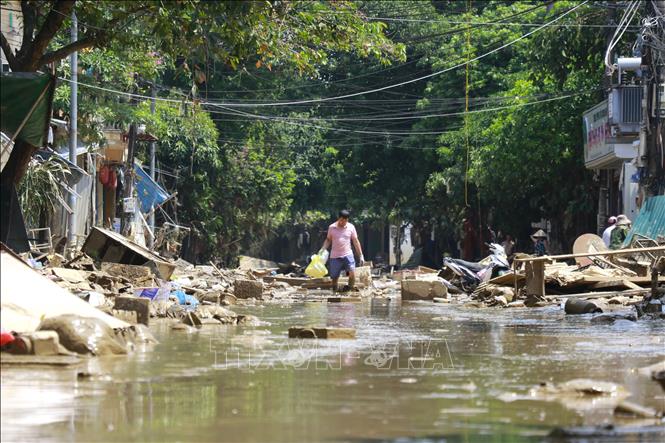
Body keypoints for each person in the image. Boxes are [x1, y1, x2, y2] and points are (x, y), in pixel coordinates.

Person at [320, 209, 364, 292]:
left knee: (352, 272)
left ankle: (349, 290)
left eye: (345, 221)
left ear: (348, 220)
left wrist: (361, 255)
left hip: (348, 254)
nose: (343, 222)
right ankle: (334, 293)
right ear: (338, 218)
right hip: (335, 256)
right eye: (341, 220)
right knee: (335, 277)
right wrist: (322, 249)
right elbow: (328, 240)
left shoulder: (351, 227)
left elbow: (355, 241)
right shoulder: (332, 227)